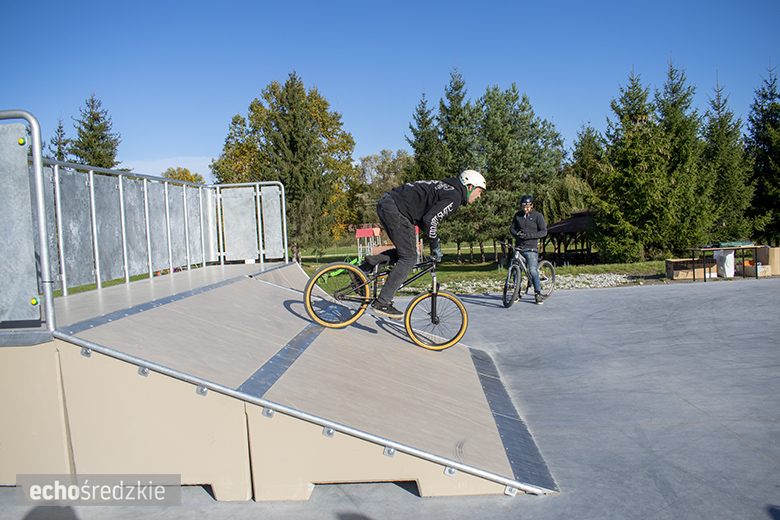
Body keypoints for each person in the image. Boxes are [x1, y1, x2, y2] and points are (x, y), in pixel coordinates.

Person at [362, 170, 486, 320]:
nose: (479, 196)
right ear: (470, 186)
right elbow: (430, 220)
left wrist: (433, 241)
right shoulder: (453, 197)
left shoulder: (446, 188)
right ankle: (382, 302)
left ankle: (366, 267)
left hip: (389, 203)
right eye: (479, 191)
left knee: (407, 252)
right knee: (409, 258)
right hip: (395, 208)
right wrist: (435, 246)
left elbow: (424, 218)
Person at [509, 194, 547, 305]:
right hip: (519, 247)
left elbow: (543, 231)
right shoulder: (518, 216)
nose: (525, 209)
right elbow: (512, 228)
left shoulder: (537, 216)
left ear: (532, 206)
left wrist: (530, 236)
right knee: (516, 270)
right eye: (523, 207)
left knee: (532, 270)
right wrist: (516, 235)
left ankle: (537, 293)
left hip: (531, 248)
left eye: (527, 207)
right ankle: (517, 292)